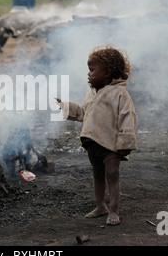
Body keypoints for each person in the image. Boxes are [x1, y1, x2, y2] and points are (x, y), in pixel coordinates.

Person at [56, 44, 137, 225]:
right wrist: (66, 106)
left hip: (111, 145)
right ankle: (101, 206)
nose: (89, 74)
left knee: (113, 174)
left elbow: (127, 118)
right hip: (93, 142)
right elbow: (84, 113)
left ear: (107, 72)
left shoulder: (120, 94)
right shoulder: (91, 93)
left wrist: (125, 143)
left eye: (92, 70)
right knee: (97, 174)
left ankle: (114, 211)